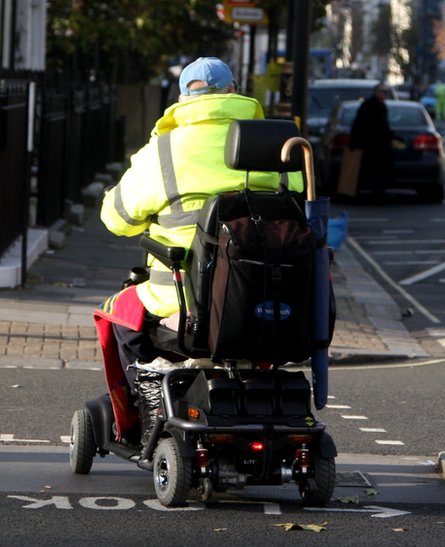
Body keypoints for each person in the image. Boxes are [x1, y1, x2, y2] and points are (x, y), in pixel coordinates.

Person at [92, 57, 304, 442]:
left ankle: (143, 410)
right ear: (233, 90)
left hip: (182, 301)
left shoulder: (163, 150)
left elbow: (117, 218)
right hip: (265, 299)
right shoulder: (275, 146)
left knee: (118, 314)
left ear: (181, 98)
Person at [349, 82, 396, 197]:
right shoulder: (368, 105)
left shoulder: (383, 106)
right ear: (376, 93)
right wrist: (355, 140)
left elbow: (385, 125)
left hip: (381, 144)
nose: (386, 94)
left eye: (387, 92)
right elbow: (359, 124)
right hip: (369, 143)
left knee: (379, 169)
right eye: (383, 92)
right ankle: (366, 190)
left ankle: (377, 189)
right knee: (367, 168)